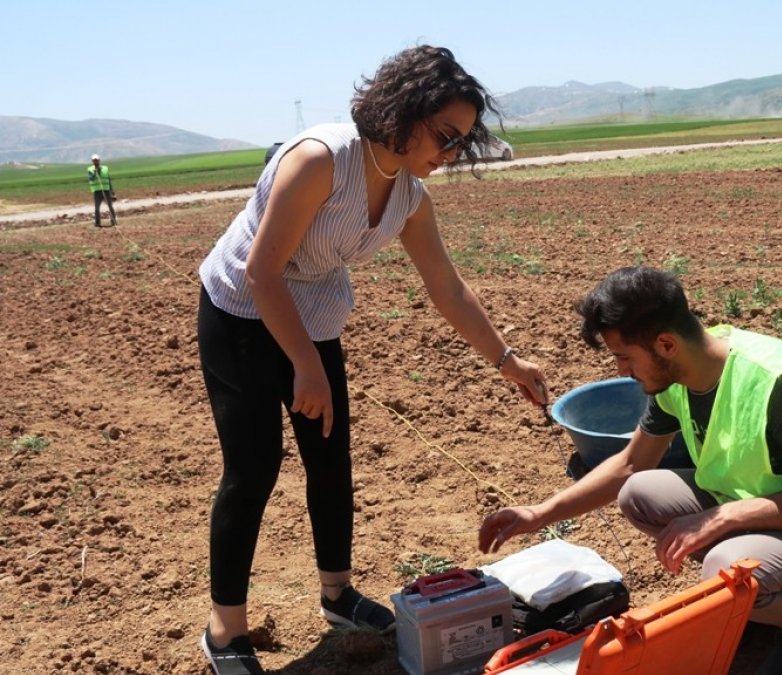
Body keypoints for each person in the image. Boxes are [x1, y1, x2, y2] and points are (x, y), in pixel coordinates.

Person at [196, 46, 547, 675]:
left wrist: (509, 361)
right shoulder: (321, 160)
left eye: (461, 141)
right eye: (445, 135)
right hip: (242, 310)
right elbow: (262, 270)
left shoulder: (409, 195)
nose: (451, 151)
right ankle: (225, 632)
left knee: (330, 461)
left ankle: (337, 594)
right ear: (404, 112)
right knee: (252, 469)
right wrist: (304, 366)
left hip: (311, 314)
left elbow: (448, 289)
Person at [478, 266, 782, 675]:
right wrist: (539, 513)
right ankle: (764, 590)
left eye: (624, 357)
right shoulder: (681, 375)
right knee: (641, 493)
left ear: (665, 344)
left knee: (722, 566)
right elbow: (629, 465)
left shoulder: (775, 382)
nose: (621, 371)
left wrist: (723, 517)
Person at [86, 153, 117, 227]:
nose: (96, 162)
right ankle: (97, 223)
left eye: (97, 160)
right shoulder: (90, 169)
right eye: (94, 160)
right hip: (97, 191)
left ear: (99, 160)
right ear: (92, 161)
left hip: (106, 190)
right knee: (97, 208)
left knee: (110, 206)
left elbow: (108, 180)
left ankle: (113, 221)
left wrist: (112, 190)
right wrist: (95, 172)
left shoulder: (105, 168)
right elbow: (91, 178)